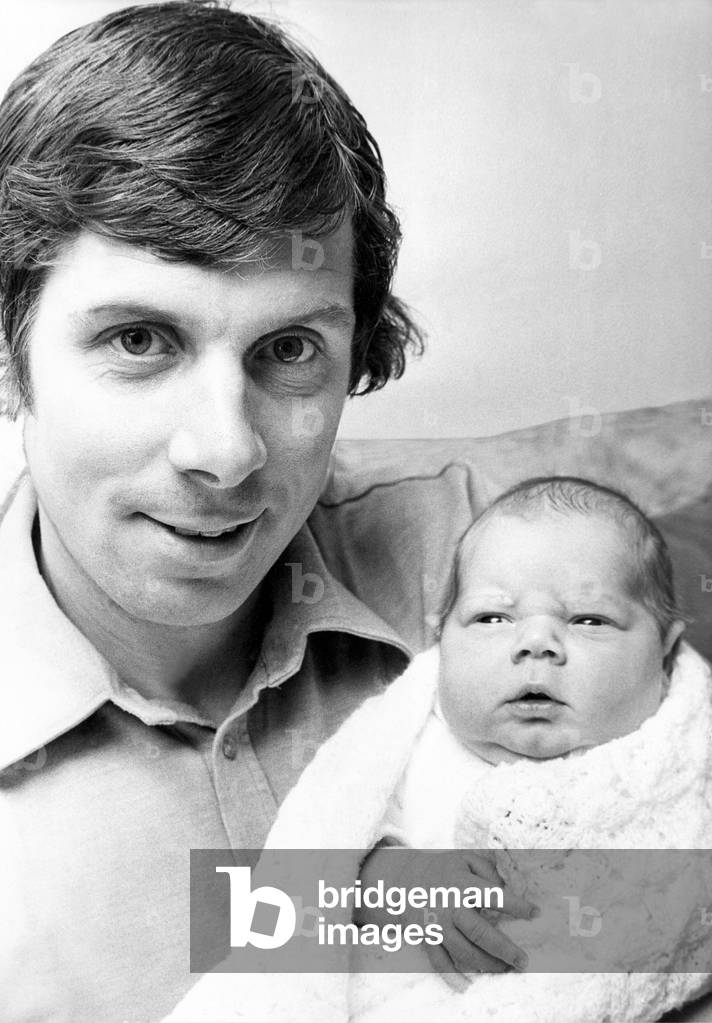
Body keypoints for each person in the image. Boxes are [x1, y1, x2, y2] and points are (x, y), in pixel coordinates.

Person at [0, 3, 437, 1021]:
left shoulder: (490, 574)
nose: (226, 449)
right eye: (140, 340)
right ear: (7, 353)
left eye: (288, 351)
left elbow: (660, 930)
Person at [164, 477, 712, 1023]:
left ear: (664, 653)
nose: (536, 642)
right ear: (441, 638)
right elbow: (321, 858)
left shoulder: (682, 760)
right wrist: (398, 877)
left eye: (589, 619)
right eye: (492, 618)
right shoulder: (408, 740)